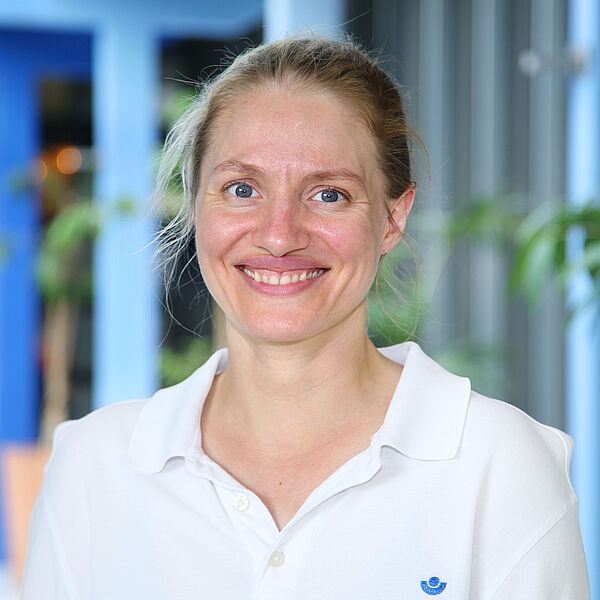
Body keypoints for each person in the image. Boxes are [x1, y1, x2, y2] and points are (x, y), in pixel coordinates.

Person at [22, 37, 589, 599]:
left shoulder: (498, 465)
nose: (279, 235)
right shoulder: (94, 467)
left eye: (329, 195)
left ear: (392, 220)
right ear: (196, 206)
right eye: (242, 189)